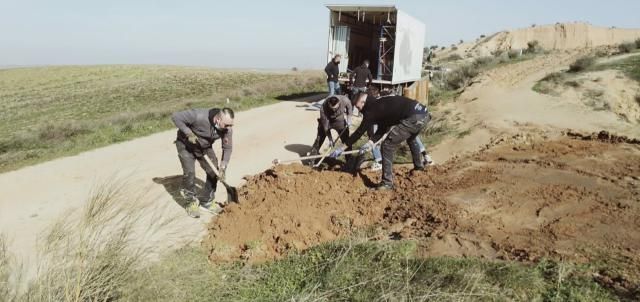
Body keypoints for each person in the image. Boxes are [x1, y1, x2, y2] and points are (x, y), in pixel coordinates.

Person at [331, 93, 430, 190]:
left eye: (358, 107)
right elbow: (383, 127)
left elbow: (359, 132)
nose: (359, 110)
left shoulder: (371, 110)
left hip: (414, 118)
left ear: (363, 102)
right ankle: (419, 167)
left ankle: (387, 183)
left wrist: (342, 148)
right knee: (411, 138)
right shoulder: (379, 103)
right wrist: (371, 142)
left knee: (387, 145)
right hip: (423, 114)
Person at [171, 107, 234, 218]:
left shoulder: (227, 130)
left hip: (204, 147)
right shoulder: (198, 115)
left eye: (231, 125)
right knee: (189, 173)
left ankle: (207, 201)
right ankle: (191, 203)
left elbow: (227, 148)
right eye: (227, 125)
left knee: (213, 172)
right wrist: (189, 133)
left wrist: (223, 168)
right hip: (185, 145)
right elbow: (175, 117)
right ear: (218, 120)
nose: (229, 128)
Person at [365, 87, 434, 171]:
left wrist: (372, 141)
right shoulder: (388, 99)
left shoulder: (379, 106)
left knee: (387, 145)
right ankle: (422, 162)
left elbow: (380, 128)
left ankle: (385, 178)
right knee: (412, 138)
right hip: (421, 113)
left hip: (411, 117)